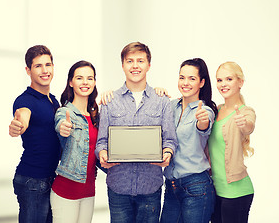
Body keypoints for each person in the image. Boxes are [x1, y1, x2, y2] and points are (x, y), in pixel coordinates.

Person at [95, 42, 178, 223]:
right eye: (129, 61)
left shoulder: (161, 101)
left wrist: (167, 153)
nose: (135, 66)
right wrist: (102, 154)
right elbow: (101, 141)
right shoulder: (110, 101)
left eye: (140, 61)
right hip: (118, 187)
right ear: (123, 65)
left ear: (149, 65)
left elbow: (170, 139)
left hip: (150, 187)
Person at [158, 58, 217, 223]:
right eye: (182, 77)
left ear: (202, 82)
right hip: (171, 186)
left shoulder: (205, 111)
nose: (185, 82)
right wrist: (157, 92)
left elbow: (204, 126)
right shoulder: (170, 106)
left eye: (192, 79)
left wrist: (202, 121)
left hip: (197, 186)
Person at [8, 45, 61, 223]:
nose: (45, 70)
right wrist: (18, 126)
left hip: (49, 178)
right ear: (28, 70)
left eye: (48, 64)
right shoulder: (25, 100)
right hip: (33, 180)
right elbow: (23, 117)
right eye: (38, 66)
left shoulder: (53, 100)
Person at [50, 61, 99, 223]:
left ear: (94, 82)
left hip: (88, 192)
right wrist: (63, 128)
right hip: (66, 191)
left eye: (89, 78)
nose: (85, 82)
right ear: (71, 82)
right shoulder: (65, 112)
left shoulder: (95, 117)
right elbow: (61, 124)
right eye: (79, 78)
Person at [208, 62, 256, 223]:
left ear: (240, 82)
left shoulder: (245, 112)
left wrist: (245, 124)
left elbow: (249, 126)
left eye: (229, 79)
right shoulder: (217, 110)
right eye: (219, 80)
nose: (223, 84)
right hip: (216, 190)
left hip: (237, 192)